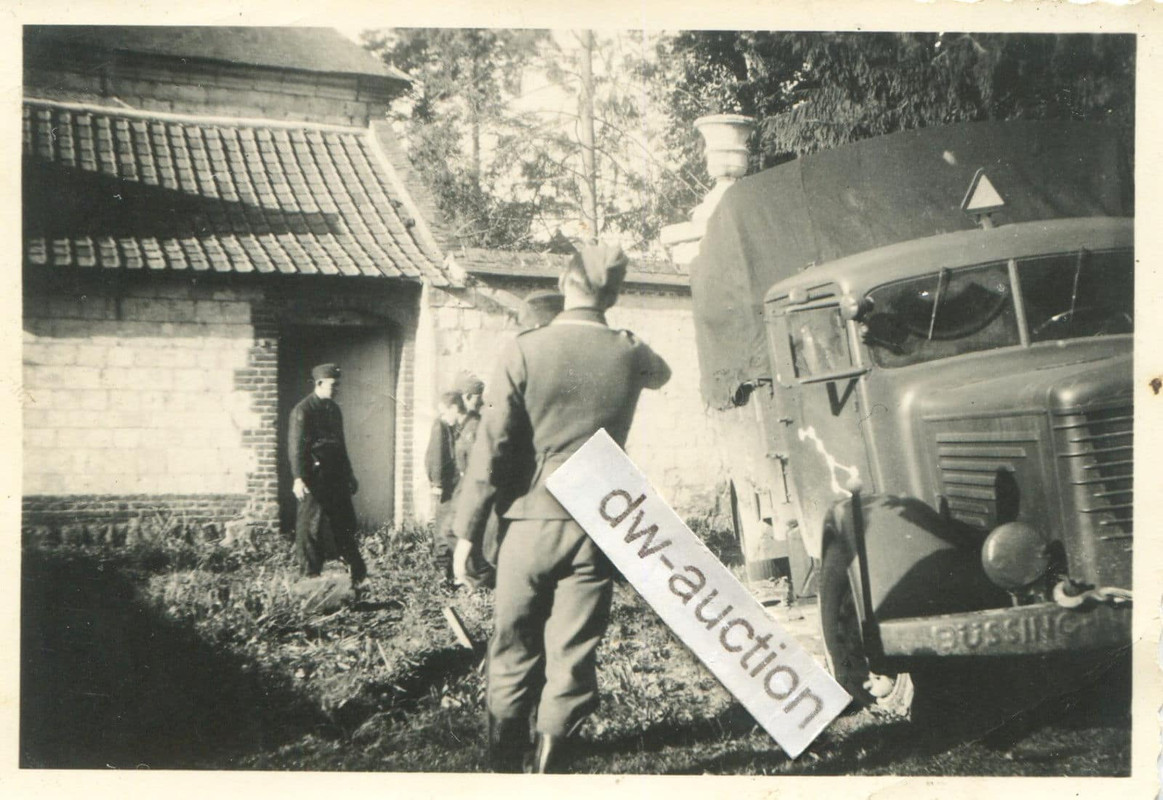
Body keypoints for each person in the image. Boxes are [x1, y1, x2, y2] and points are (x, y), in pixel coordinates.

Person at [452, 242, 671, 773]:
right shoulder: (629, 351)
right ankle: (551, 770)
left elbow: (490, 450)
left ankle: (505, 769)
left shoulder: (524, 350)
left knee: (512, 646)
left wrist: (465, 534)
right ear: (613, 294)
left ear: (564, 280)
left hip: (528, 521)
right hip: (597, 523)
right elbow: (660, 372)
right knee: (573, 653)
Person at [288, 363, 368, 588]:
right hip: (314, 478)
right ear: (319, 384)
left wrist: (350, 474)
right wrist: (298, 477)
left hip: (336, 477)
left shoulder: (334, 410)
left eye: (338, 385)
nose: (337, 389)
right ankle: (309, 575)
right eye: (333, 385)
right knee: (310, 526)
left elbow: (340, 445)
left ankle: (356, 576)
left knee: (345, 523)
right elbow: (296, 447)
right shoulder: (303, 410)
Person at [425, 390, 466, 579]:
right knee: (444, 526)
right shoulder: (441, 425)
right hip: (447, 485)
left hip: (459, 484)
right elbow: (436, 455)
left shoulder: (460, 425)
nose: (442, 415)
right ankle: (443, 571)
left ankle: (454, 571)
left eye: (444, 411)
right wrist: (437, 482)